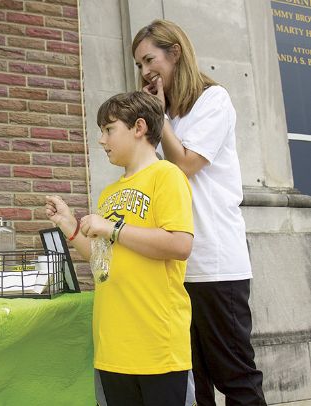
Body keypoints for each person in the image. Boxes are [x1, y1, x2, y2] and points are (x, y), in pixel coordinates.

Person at [132, 19, 266, 405]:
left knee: (237, 381)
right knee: (195, 385)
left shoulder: (213, 100)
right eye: (139, 65)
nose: (144, 72)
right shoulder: (166, 117)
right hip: (178, 269)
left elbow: (186, 165)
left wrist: (159, 119)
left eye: (149, 60)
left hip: (217, 265)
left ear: (175, 53)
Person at [46, 91, 194, 405]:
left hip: (157, 347)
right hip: (112, 347)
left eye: (109, 129)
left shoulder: (167, 176)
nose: (101, 140)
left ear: (139, 127)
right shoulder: (108, 193)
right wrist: (70, 226)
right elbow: (103, 261)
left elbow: (180, 244)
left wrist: (113, 228)